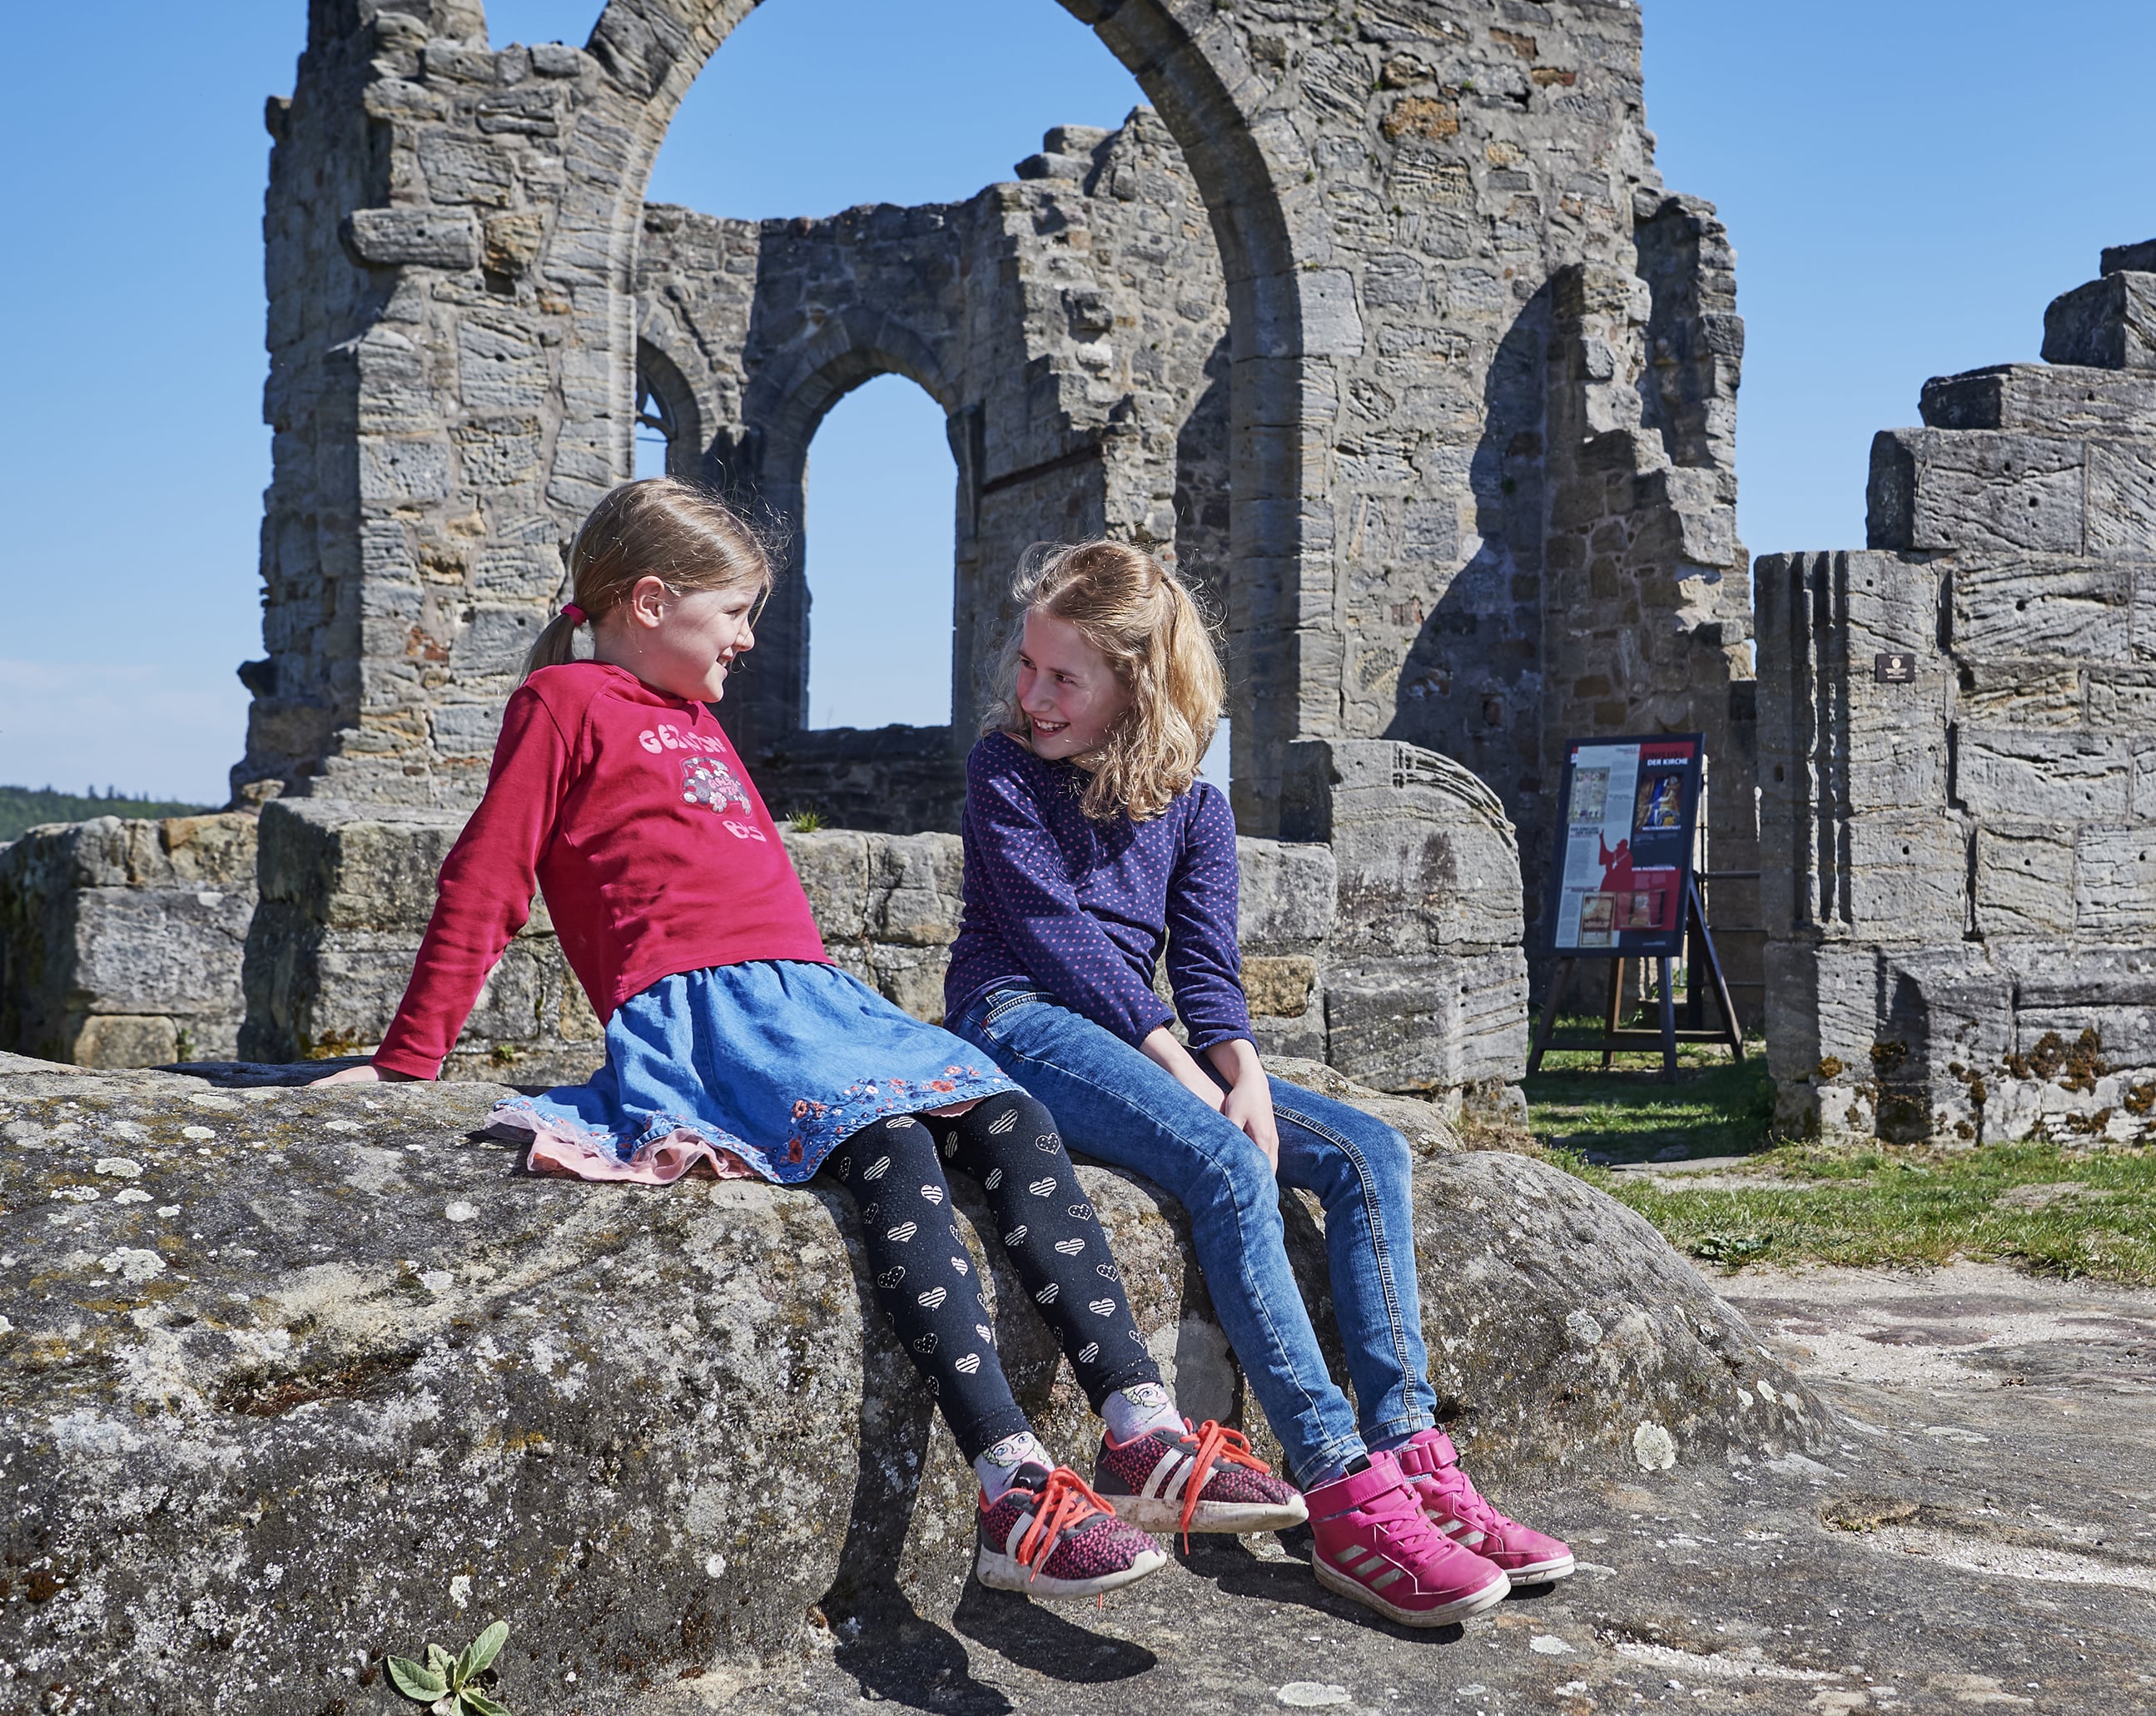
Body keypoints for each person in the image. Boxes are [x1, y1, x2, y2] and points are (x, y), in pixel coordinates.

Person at [324, 479, 1302, 1601]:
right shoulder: (562, 701)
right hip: (707, 1015)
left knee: (1005, 1110)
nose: (746, 637)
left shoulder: (693, 716)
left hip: (815, 1002)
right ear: (650, 601)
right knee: (889, 1138)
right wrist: (408, 1062)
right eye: (732, 611)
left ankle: (1141, 1428)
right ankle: (1013, 1484)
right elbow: (486, 879)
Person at [942, 539, 1572, 1630]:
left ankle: (1412, 1455)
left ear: (1136, 686)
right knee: (1229, 1162)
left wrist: (1242, 1074)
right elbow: (1055, 941)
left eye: (1062, 676)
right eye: (1029, 666)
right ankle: (1339, 1490)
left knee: (1371, 1151)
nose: (1029, 693)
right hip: (1018, 1021)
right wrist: (1190, 1074)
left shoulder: (1193, 802)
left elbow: (1202, 967)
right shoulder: (1004, 770)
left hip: (1136, 1044)